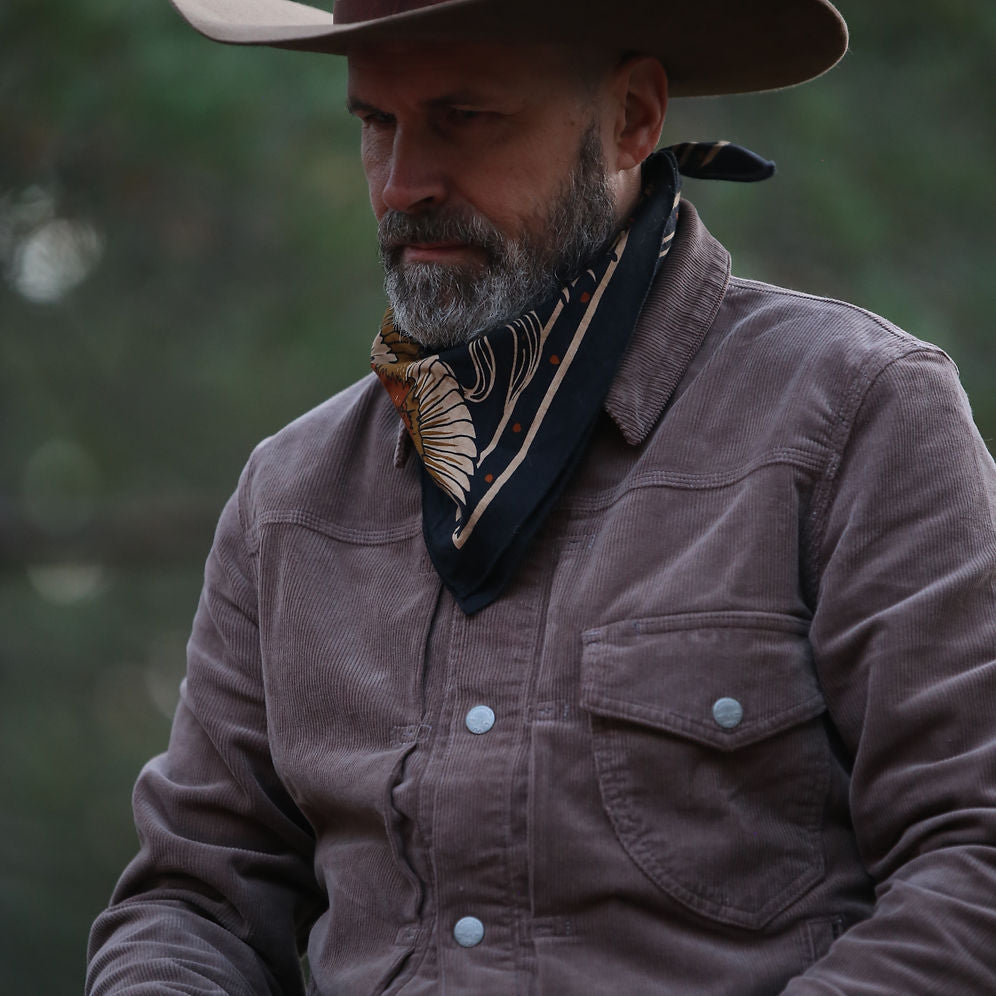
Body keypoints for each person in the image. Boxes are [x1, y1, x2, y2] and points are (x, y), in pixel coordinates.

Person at [87, 1, 996, 993]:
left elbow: (972, 864)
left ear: (632, 118)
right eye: (377, 123)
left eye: (466, 118)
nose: (402, 184)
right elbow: (194, 903)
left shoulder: (857, 413)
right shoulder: (292, 497)